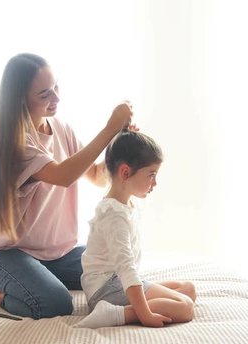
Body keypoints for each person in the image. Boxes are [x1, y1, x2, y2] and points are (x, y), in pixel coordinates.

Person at [0, 53, 134, 319]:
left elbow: (96, 175)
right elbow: (63, 175)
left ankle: (38, 275)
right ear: (21, 99)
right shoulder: (18, 145)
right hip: (7, 253)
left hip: (57, 253)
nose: (57, 98)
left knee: (116, 273)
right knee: (56, 303)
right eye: (45, 94)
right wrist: (109, 128)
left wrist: (119, 138)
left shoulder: (61, 128)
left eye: (56, 87)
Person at [75, 130, 196, 329]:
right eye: (151, 175)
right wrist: (145, 314)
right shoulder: (113, 215)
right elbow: (126, 267)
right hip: (105, 289)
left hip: (117, 282)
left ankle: (124, 308)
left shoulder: (125, 205)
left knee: (187, 289)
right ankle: (114, 314)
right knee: (185, 307)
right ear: (125, 172)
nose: (154, 183)